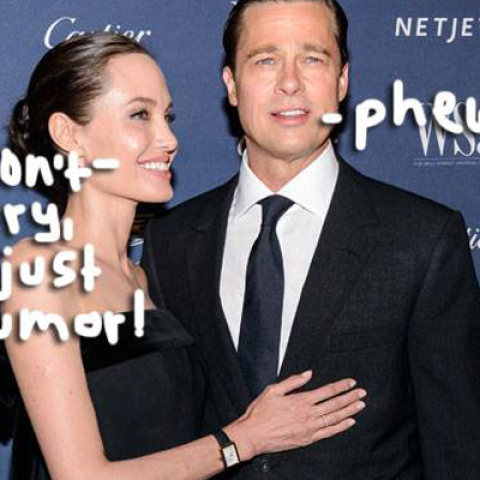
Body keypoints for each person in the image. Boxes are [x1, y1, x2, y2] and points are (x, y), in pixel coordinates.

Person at [1, 32, 367, 480]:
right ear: (69, 134)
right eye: (140, 115)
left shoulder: (147, 275)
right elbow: (80, 475)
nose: (168, 138)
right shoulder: (38, 273)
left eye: (167, 116)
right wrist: (243, 440)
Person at [141, 1, 480, 479]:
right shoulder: (171, 240)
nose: (290, 82)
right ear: (231, 84)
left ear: (342, 80)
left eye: (312, 59)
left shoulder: (422, 239)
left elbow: (458, 447)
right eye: (265, 60)